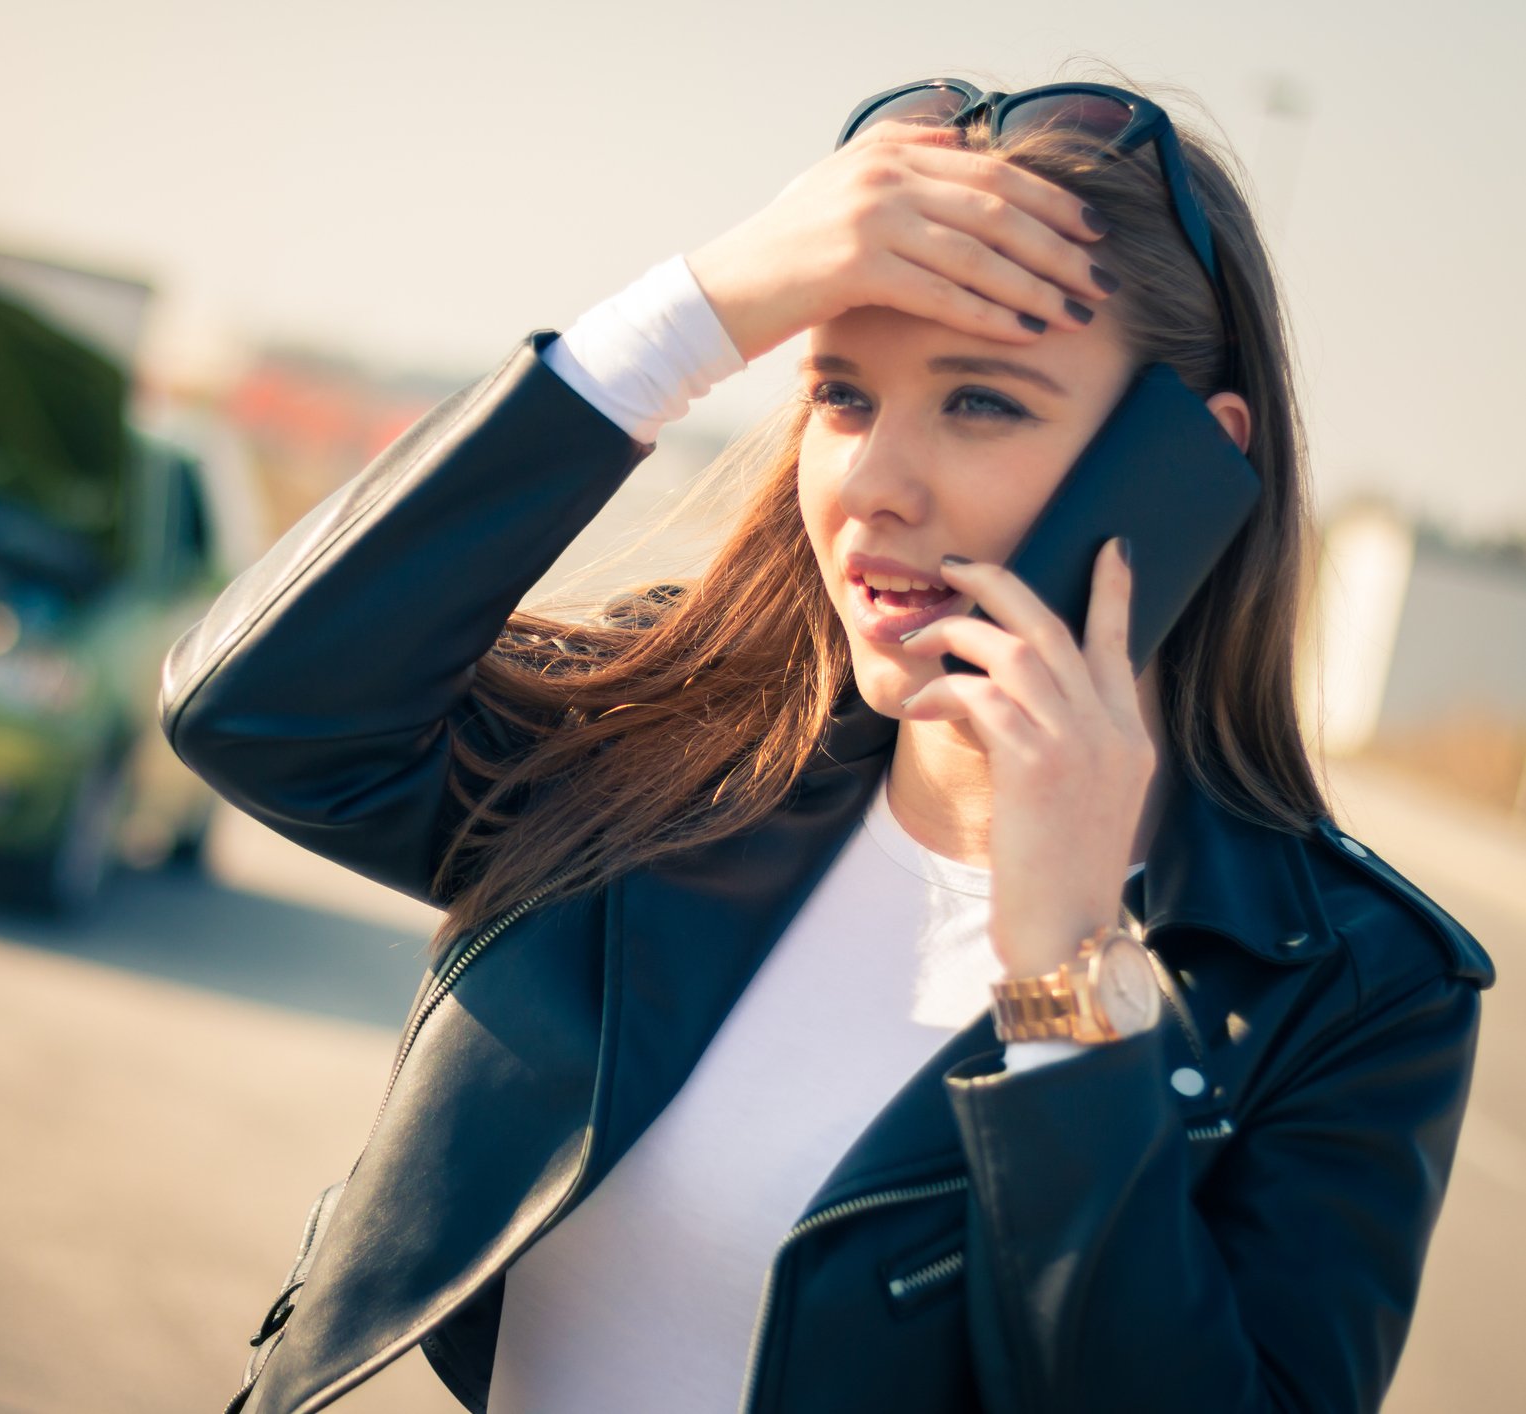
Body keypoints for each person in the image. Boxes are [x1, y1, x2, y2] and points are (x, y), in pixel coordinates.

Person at [161, 74, 1495, 1414]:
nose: (867, 485)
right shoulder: (662, 755)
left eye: (978, 402)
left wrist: (1068, 980)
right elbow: (264, 713)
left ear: (1189, 464)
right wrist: (698, 306)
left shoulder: (1352, 988)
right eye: (842, 396)